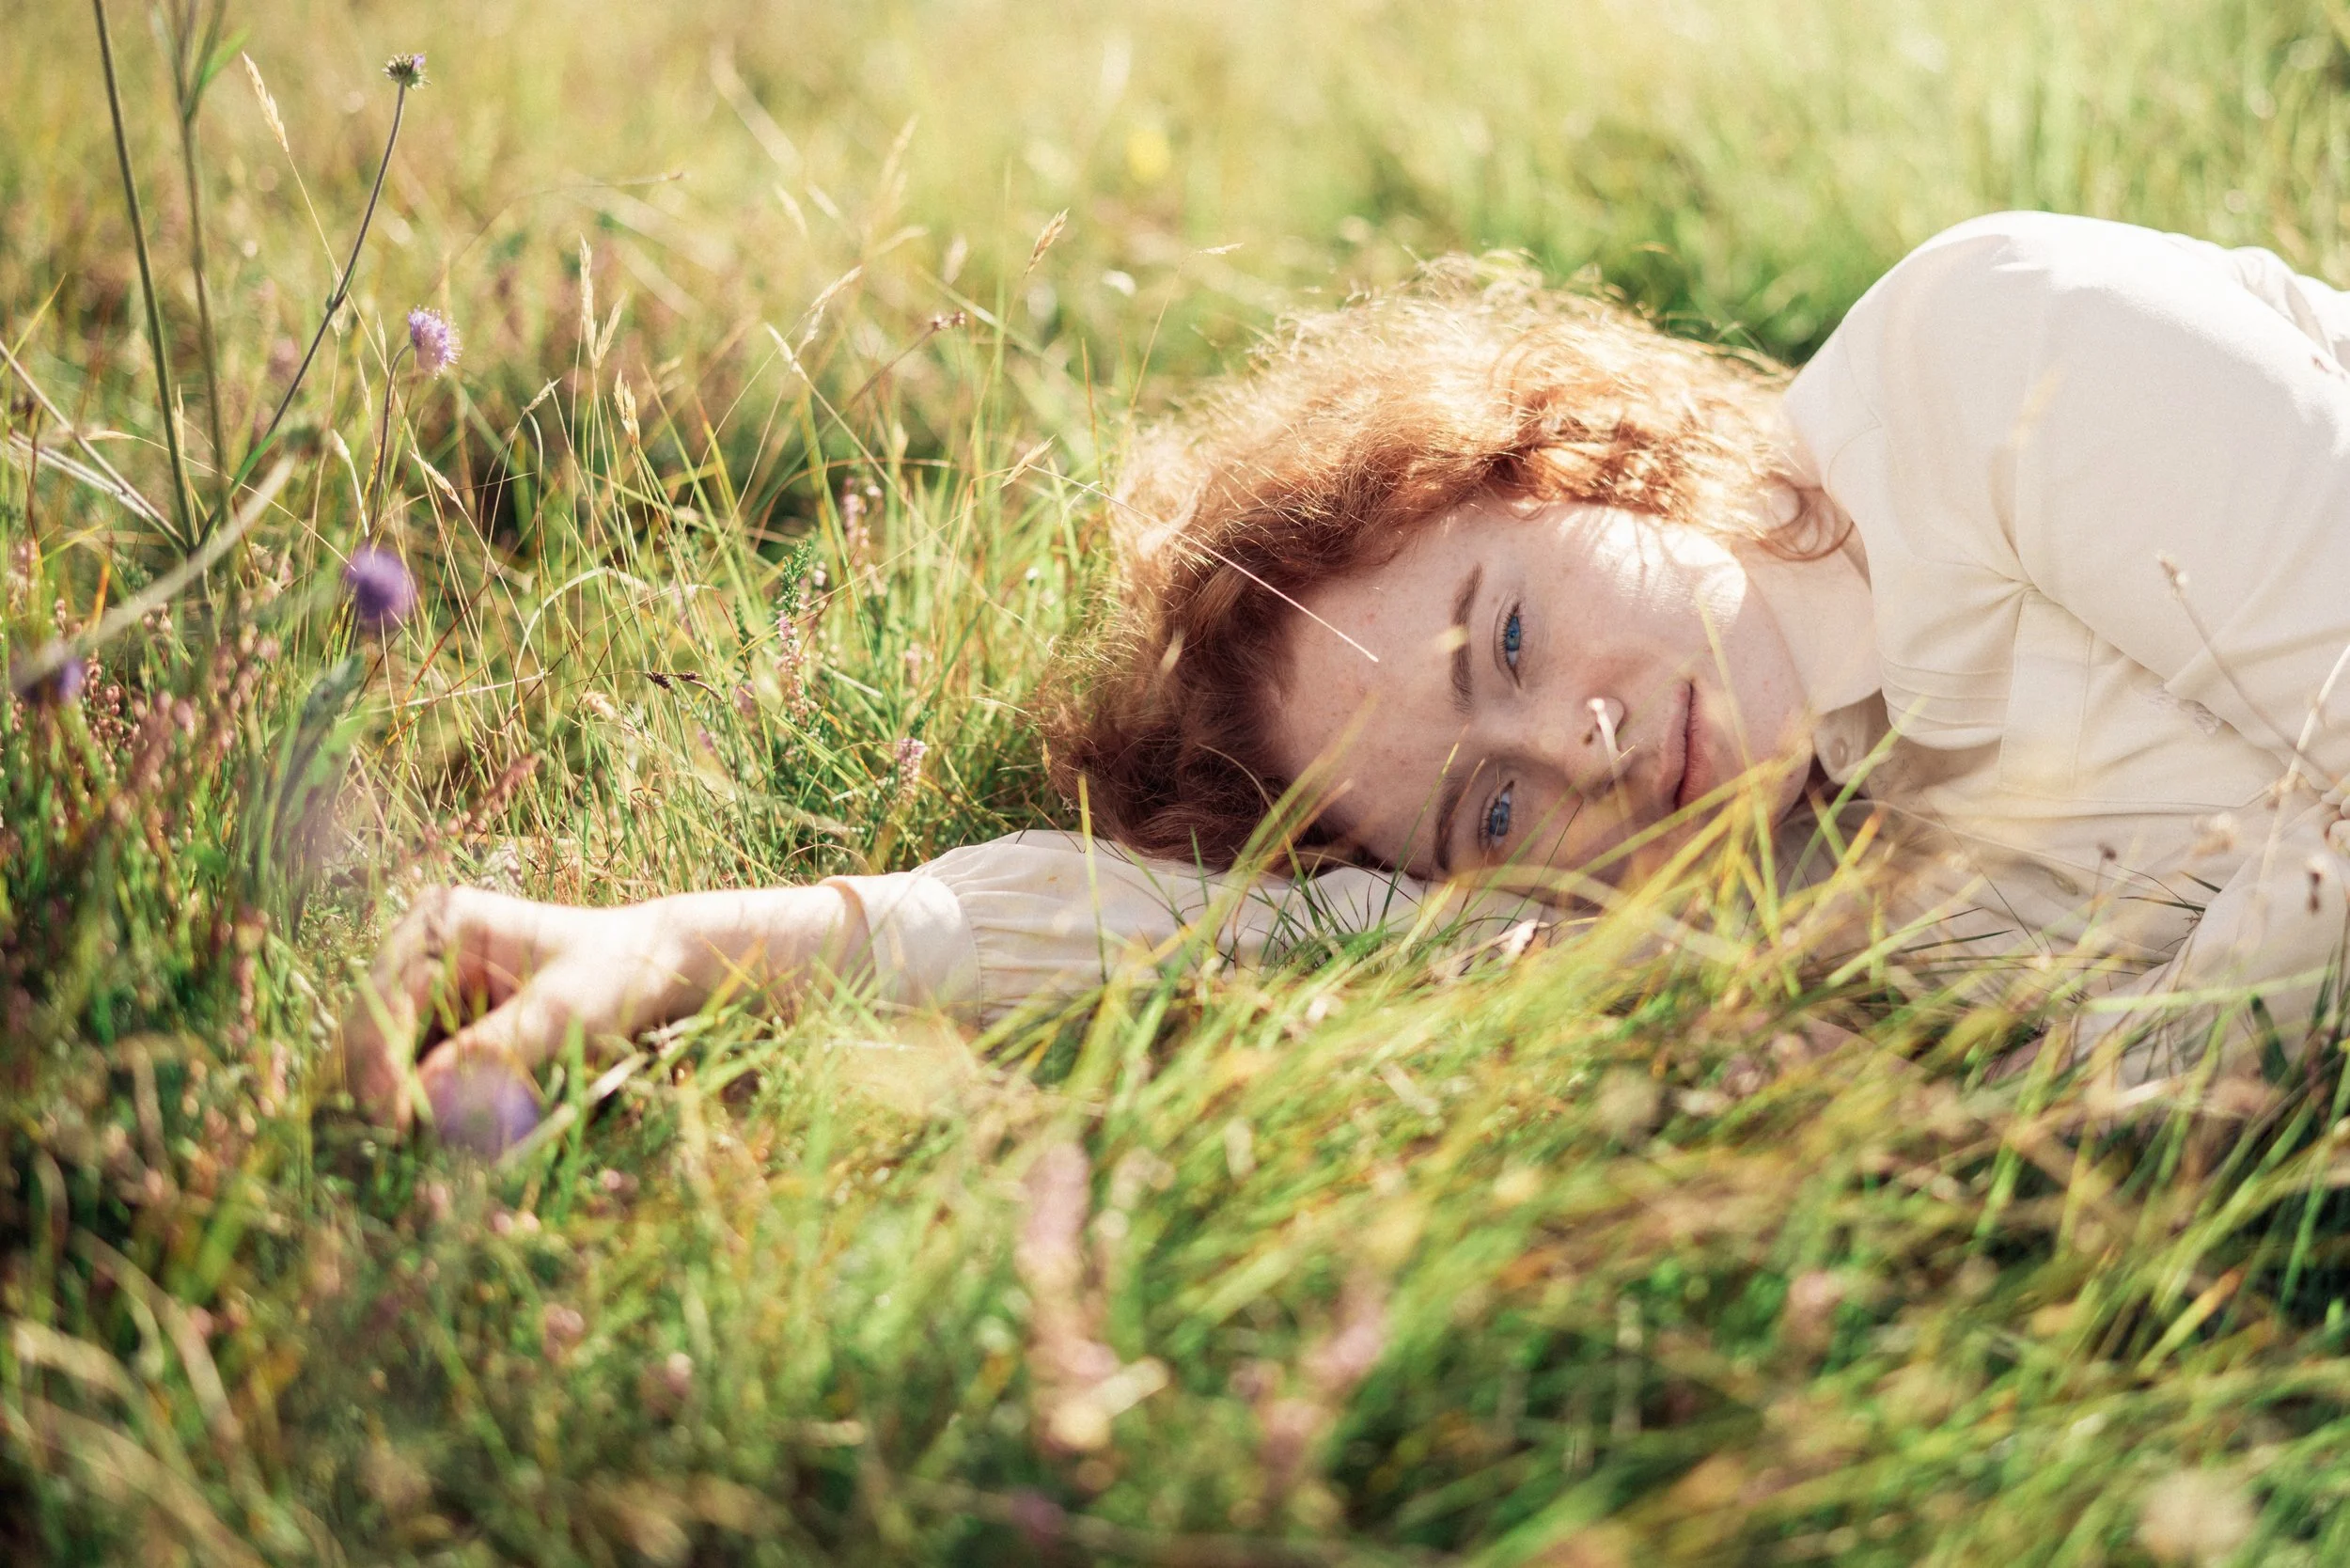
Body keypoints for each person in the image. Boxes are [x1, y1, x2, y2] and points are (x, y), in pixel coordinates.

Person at [344, 210, 2350, 1147]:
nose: (1567, 751)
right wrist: (702, 939)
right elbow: (1230, 935)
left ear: (1563, 464)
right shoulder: (1712, 897)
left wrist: (2150, 1097)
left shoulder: (1985, 363)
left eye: (1502, 629)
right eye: (1483, 810)